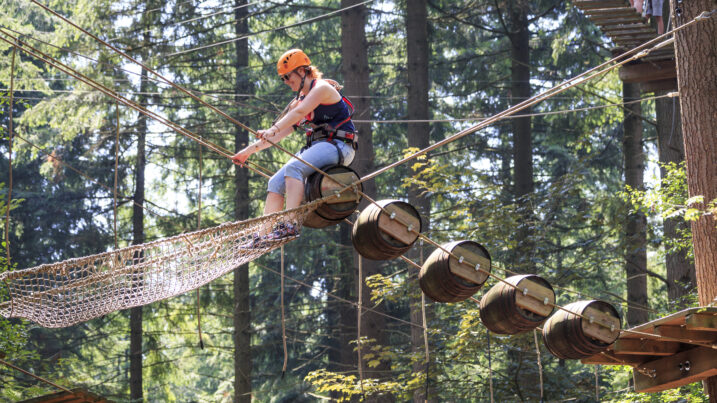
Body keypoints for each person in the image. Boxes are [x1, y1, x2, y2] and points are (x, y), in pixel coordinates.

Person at [231, 49, 357, 241]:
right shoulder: (298, 102)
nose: (287, 83)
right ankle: (261, 236)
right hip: (321, 146)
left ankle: (290, 225)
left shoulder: (321, 89)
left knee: (294, 168)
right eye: (283, 79)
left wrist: (271, 129)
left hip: (340, 146)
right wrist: (248, 152)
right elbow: (283, 132)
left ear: (302, 71)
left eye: (288, 77)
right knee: (275, 183)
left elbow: (297, 115)